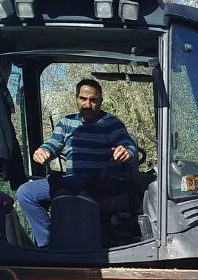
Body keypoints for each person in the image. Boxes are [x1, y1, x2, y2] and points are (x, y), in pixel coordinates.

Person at [16, 79, 137, 247]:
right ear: (76, 99)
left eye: (93, 100)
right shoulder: (66, 123)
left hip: (102, 181)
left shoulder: (110, 123)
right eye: (83, 99)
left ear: (100, 101)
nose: (87, 104)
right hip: (71, 180)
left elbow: (128, 145)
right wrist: (43, 151)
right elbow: (53, 144)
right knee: (25, 193)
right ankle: (47, 244)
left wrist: (127, 151)